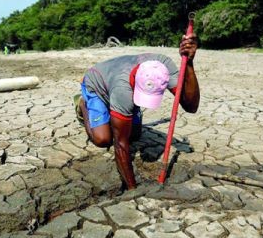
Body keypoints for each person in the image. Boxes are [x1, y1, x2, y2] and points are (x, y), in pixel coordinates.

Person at [74, 35, 200, 190]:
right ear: (135, 84)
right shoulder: (123, 90)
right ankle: (82, 104)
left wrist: (189, 63)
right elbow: (120, 144)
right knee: (103, 139)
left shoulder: (163, 67)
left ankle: (117, 111)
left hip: (117, 85)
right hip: (96, 84)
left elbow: (191, 106)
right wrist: (132, 189)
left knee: (134, 135)